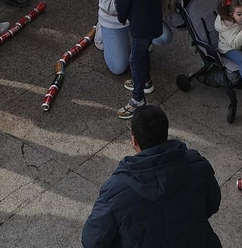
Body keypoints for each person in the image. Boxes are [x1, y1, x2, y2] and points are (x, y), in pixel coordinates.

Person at [81, 103, 221, 247]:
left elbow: (93, 242)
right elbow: (212, 203)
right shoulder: (197, 165)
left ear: (134, 141)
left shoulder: (115, 191)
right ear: (166, 134)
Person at [113, 0, 163, 120]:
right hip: (153, 20)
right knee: (143, 52)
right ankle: (145, 80)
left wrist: (122, 17)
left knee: (135, 58)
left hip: (140, 24)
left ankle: (138, 99)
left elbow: (122, 0)